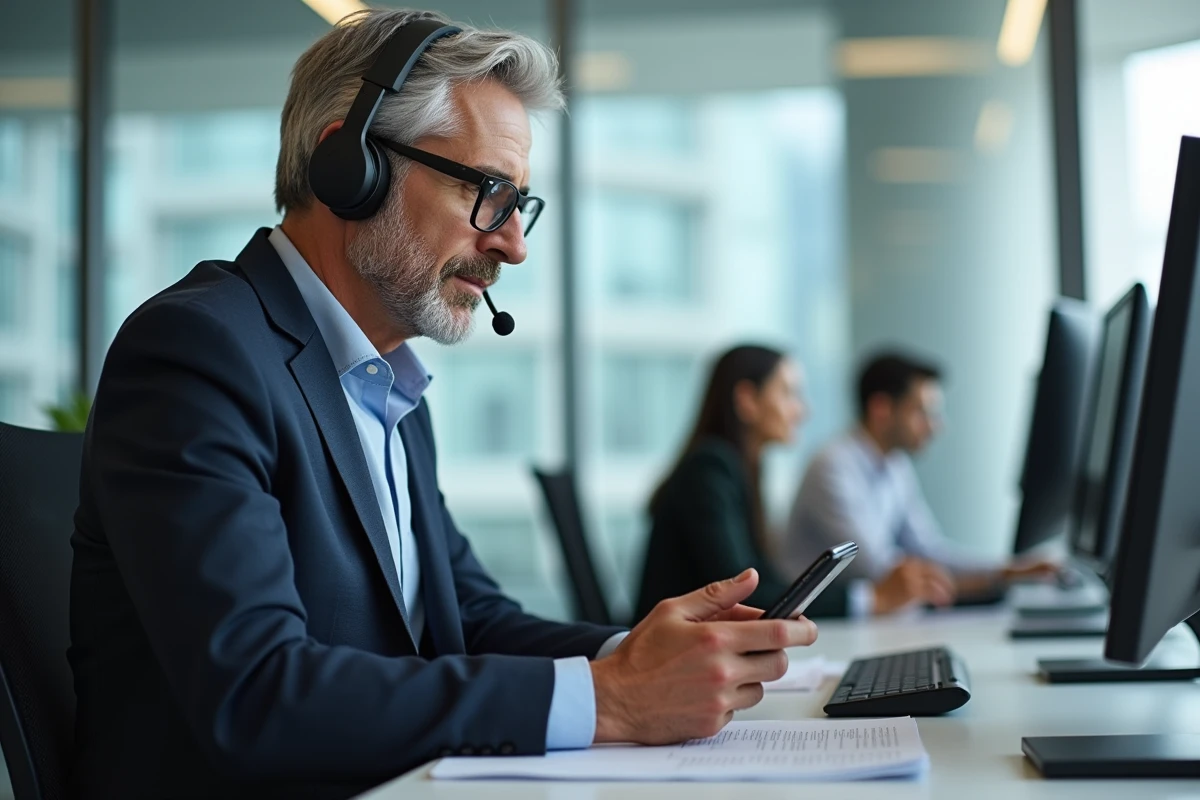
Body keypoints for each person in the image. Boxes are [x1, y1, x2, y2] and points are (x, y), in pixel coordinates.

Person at [66, 10, 818, 799]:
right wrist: (610, 699)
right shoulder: (197, 351)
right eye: (487, 191)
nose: (512, 244)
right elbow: (258, 692)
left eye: (518, 203)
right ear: (346, 166)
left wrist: (643, 655)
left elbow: (466, 617)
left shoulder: (389, 381)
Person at [784, 351, 1057, 617]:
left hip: (865, 621)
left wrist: (1009, 570)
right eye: (923, 413)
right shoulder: (832, 466)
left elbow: (928, 549)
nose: (936, 426)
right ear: (882, 409)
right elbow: (880, 568)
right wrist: (996, 578)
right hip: (821, 622)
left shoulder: (894, 465)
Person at [634, 346, 811, 620]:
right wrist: (864, 599)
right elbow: (742, 590)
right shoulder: (709, 470)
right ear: (747, 399)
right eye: (788, 393)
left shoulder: (736, 469)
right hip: (672, 650)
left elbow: (764, 577)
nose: (801, 411)